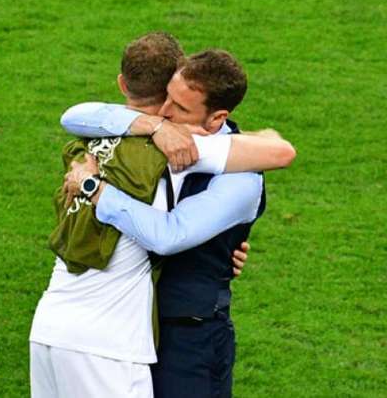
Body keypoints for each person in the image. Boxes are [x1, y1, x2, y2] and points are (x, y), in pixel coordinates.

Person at [30, 33, 295, 398]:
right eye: (167, 98)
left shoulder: (232, 171)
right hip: (119, 333)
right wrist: (153, 127)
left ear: (216, 117)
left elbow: (279, 151)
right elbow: (75, 116)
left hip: (183, 338)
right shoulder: (158, 140)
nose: (167, 113)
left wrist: (95, 189)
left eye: (180, 108)